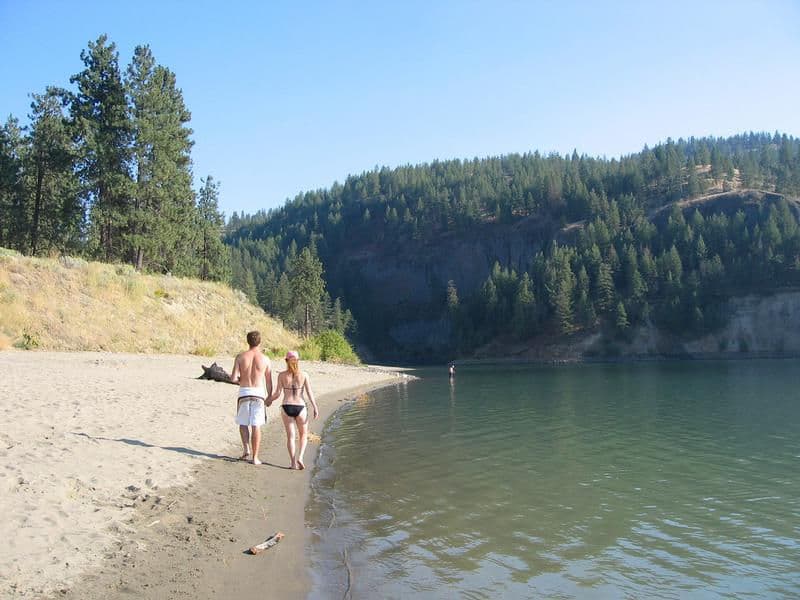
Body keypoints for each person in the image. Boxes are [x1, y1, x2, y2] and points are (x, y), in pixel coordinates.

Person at [269, 350, 319, 470]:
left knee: (290, 436)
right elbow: (309, 392)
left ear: (286, 360)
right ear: (298, 361)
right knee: (303, 435)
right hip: (300, 407)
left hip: (286, 406)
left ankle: (292, 463)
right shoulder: (304, 375)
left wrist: (268, 400)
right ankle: (300, 457)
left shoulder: (281, 375)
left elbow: (277, 393)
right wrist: (315, 407)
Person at [230, 331, 273, 465]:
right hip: (258, 393)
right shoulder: (265, 359)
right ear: (259, 342)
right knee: (256, 425)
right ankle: (255, 457)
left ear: (247, 341)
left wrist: (241, 381)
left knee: (243, 423)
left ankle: (246, 449)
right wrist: (270, 396)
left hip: (244, 392)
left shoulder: (240, 357)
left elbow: (233, 378)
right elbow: (268, 381)